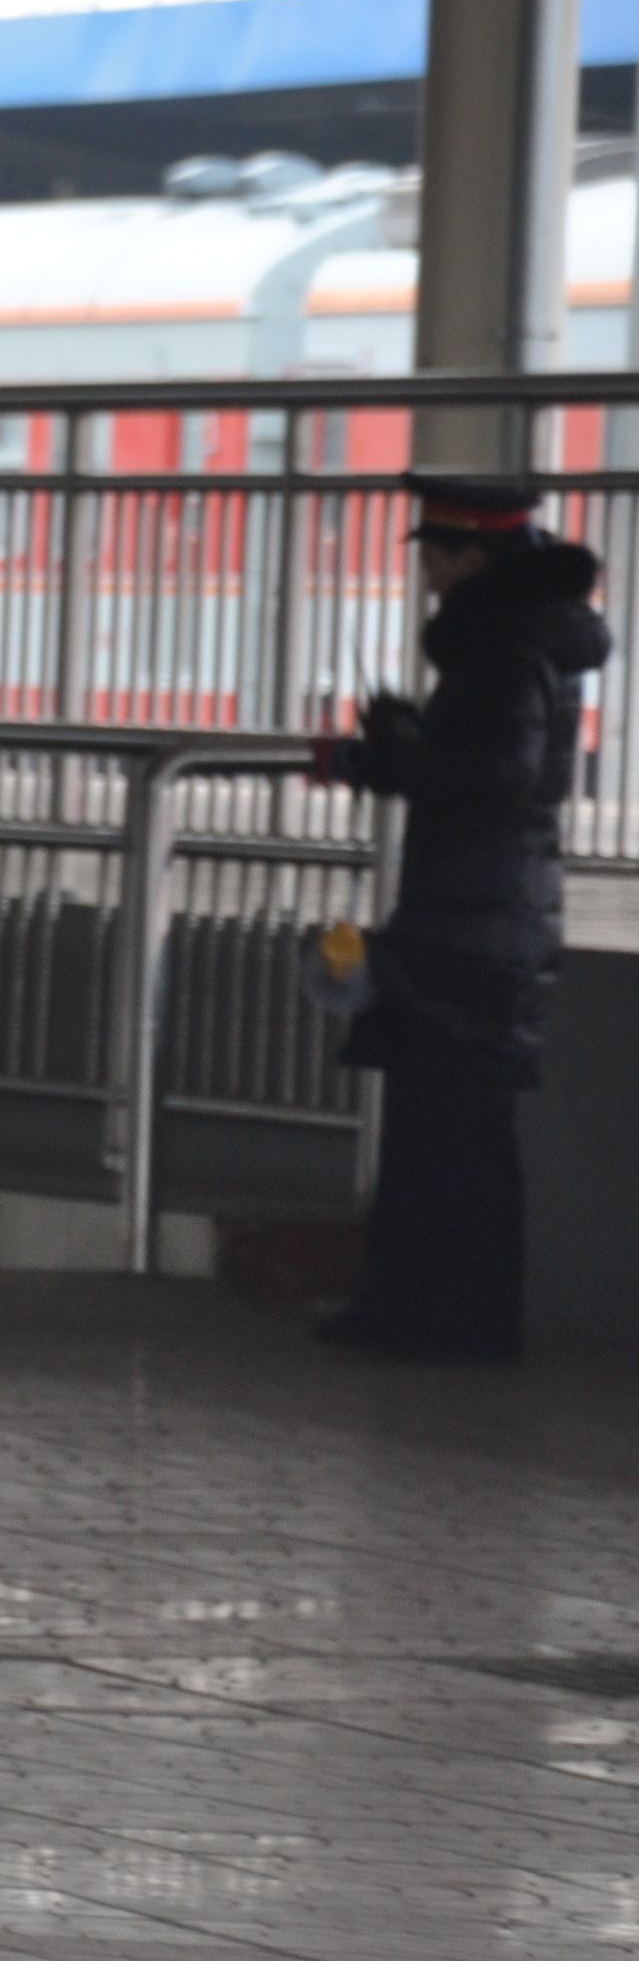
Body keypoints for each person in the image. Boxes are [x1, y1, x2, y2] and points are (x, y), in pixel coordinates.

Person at [309, 472, 614, 1363]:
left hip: (480, 915)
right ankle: (419, 1307)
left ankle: (456, 1318)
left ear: (475, 556)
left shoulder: (507, 652)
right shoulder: (515, 647)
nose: (430, 577)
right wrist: (413, 740)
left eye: (438, 558)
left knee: (457, 1127)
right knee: (439, 1119)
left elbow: (500, 778)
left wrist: (379, 760)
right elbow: (487, 761)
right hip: (482, 908)